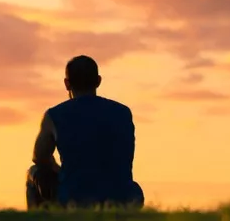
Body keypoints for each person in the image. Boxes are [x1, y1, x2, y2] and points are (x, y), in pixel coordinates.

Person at [26, 55, 145, 209]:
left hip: (74, 198)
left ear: (67, 84)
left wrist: (59, 171)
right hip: (123, 197)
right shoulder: (123, 112)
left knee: (34, 172)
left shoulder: (54, 115)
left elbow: (39, 158)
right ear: (98, 81)